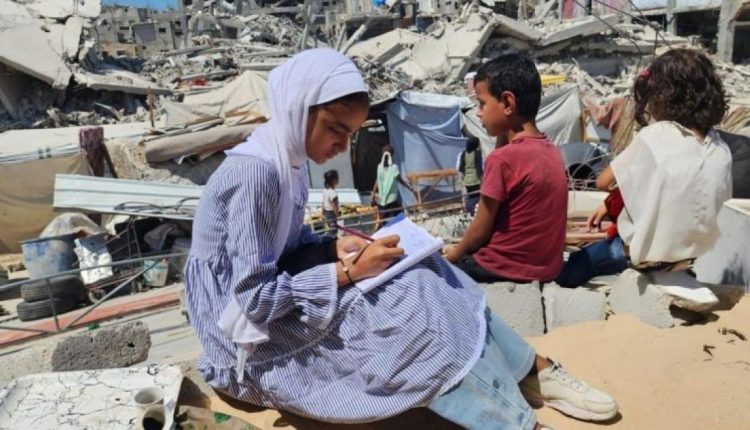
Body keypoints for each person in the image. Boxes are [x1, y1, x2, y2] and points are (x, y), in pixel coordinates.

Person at [185, 48, 615, 430]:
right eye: (336, 129)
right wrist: (349, 271)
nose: (342, 145)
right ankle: (513, 420)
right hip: (244, 339)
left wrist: (333, 247)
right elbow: (253, 300)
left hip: (269, 306)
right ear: (299, 109)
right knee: (407, 308)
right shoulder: (259, 173)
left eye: (350, 133)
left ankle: (530, 369)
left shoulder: (287, 162)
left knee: (428, 267)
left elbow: (288, 245)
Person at [556, 48, 733, 287]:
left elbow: (602, 182)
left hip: (643, 255)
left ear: (661, 96)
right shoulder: (721, 148)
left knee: (578, 264)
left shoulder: (657, 135)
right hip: (694, 256)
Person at [444, 53, 569, 286]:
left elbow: (479, 233)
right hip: (548, 270)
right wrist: (504, 131)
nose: (478, 112)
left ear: (508, 103)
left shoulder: (502, 160)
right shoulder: (552, 151)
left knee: (427, 273)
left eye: (482, 103)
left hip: (500, 268)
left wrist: (456, 252)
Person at [371, 145, 410, 224]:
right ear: (391, 155)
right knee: (399, 217)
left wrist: (373, 192)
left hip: (382, 199)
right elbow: (400, 180)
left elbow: (378, 180)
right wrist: (408, 187)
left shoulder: (380, 167)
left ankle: (384, 227)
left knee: (384, 219)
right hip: (391, 198)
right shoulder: (393, 167)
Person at [457, 136, 484, 216]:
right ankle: (476, 214)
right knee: (478, 197)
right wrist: (482, 179)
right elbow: (479, 168)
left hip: (467, 180)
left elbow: (461, 168)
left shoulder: (464, 153)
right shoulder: (477, 153)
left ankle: (471, 212)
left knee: (471, 196)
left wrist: (462, 179)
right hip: (476, 180)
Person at [322, 169, 339, 236]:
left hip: (327, 213)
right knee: (333, 231)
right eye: (337, 178)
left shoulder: (325, 191)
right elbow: (334, 205)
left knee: (330, 230)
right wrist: (337, 215)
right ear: (334, 180)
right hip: (332, 214)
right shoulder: (333, 193)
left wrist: (323, 213)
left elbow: (323, 203)